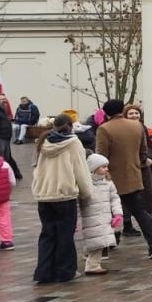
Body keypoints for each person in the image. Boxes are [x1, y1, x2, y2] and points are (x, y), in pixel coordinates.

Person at [96, 100, 152, 260]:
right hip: (134, 175)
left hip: (111, 178)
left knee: (107, 211)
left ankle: (106, 246)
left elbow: (101, 157)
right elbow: (143, 152)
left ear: (106, 113)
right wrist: (136, 165)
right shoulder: (137, 126)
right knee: (140, 211)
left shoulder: (104, 129)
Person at [32, 114, 94, 283]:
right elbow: (80, 170)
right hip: (64, 195)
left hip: (44, 195)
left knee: (47, 234)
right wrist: (86, 193)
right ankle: (65, 271)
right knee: (65, 234)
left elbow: (36, 168)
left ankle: (43, 272)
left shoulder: (42, 141)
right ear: (70, 125)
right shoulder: (73, 142)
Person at [77, 153, 122, 275]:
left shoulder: (108, 182)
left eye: (106, 166)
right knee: (96, 242)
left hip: (105, 217)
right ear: (94, 168)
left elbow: (115, 198)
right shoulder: (86, 184)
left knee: (99, 242)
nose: (106, 169)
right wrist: (76, 221)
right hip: (90, 218)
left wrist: (117, 213)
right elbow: (78, 203)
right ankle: (92, 265)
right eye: (103, 166)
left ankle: (91, 261)